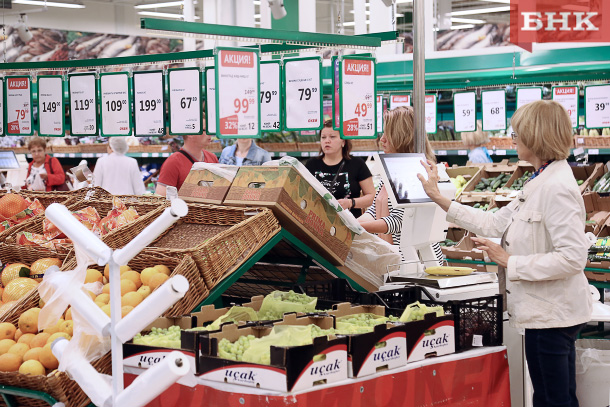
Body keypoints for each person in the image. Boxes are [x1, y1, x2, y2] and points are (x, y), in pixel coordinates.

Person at [418, 100, 592, 407]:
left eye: (517, 133)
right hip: (545, 313)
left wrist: (510, 260)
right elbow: (494, 222)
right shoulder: (540, 179)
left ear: (535, 136)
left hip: (551, 316)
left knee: (552, 400)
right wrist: (439, 198)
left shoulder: (556, 188)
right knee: (556, 397)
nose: (513, 140)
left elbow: (572, 258)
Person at [358, 106, 438, 250]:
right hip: (393, 256)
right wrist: (351, 223)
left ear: (402, 136)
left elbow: (399, 221)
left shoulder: (418, 172)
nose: (382, 139)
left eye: (388, 134)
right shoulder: (391, 169)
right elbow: (374, 211)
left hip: (415, 258)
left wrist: (359, 227)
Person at [305, 120, 375, 217]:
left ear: (343, 141)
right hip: (318, 221)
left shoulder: (357, 164)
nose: (327, 141)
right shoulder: (311, 165)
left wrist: (350, 203)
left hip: (350, 222)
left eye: (332, 137)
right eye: (323, 137)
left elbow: (372, 197)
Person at [155, 122, 219, 197]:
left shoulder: (212, 158)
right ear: (190, 133)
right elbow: (161, 198)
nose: (210, 134)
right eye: (205, 130)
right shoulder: (173, 162)